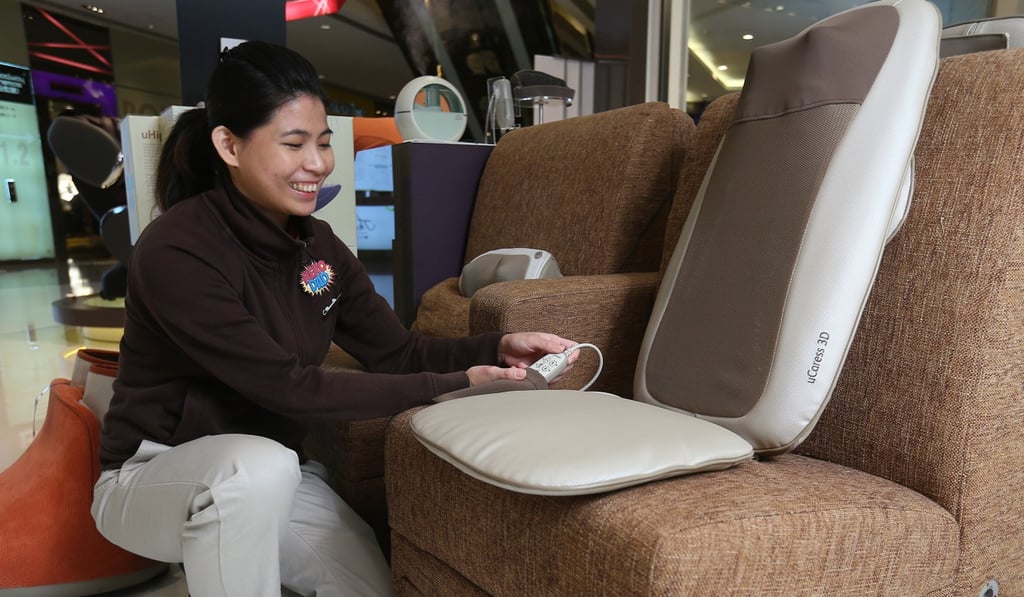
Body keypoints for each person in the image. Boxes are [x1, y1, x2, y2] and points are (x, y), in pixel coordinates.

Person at [90, 40, 577, 597]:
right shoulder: (178, 251)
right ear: (228, 145)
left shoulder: (315, 244)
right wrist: (456, 386)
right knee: (257, 468)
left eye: (322, 143)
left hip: (273, 476)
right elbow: (288, 388)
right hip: (156, 477)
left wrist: (495, 350)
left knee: (367, 586)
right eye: (293, 143)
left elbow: (398, 353)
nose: (318, 164)